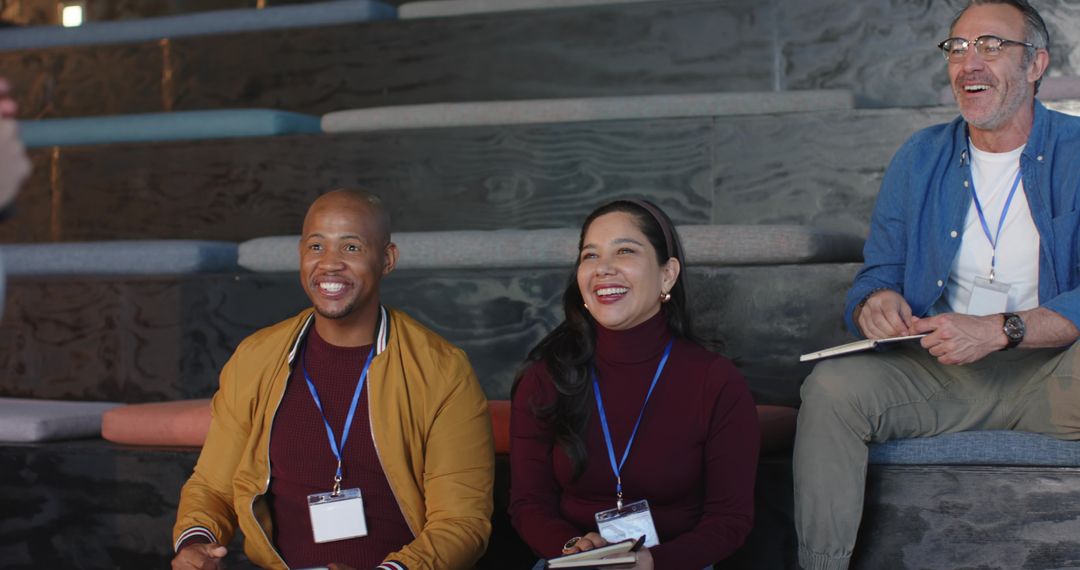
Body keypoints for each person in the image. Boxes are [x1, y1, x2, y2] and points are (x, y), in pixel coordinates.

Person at [794, 1, 1080, 569]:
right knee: (831, 389)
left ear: (1036, 64)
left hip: (1056, 371)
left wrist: (1001, 330)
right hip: (942, 373)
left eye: (991, 46)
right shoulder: (919, 156)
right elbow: (878, 273)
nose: (970, 63)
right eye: (958, 48)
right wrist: (878, 303)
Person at [172, 189, 495, 570]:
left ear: (387, 260)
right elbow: (212, 485)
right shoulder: (256, 358)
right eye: (316, 246)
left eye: (352, 248)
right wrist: (196, 543)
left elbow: (462, 521)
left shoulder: (443, 370)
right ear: (301, 255)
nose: (329, 264)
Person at [509, 199, 760, 569]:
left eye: (625, 251)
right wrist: (578, 549)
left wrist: (650, 562)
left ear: (667, 274)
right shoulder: (545, 378)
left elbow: (729, 521)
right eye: (590, 256)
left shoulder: (716, 381)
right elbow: (528, 504)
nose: (603, 269)